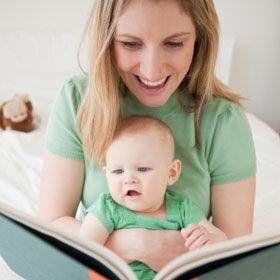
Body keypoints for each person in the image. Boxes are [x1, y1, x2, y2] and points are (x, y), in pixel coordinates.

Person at [39, 0, 256, 272]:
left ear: (200, 40)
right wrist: (139, 245)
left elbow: (234, 255)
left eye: (174, 43)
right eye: (130, 44)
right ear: (107, 40)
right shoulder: (77, 102)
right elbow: (51, 226)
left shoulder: (223, 121)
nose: (152, 71)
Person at [79, 115, 228, 279]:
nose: (129, 179)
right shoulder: (108, 208)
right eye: (118, 171)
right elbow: (83, 250)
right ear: (106, 175)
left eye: (142, 169)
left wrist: (207, 240)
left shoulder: (182, 208)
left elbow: (222, 243)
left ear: (171, 173)